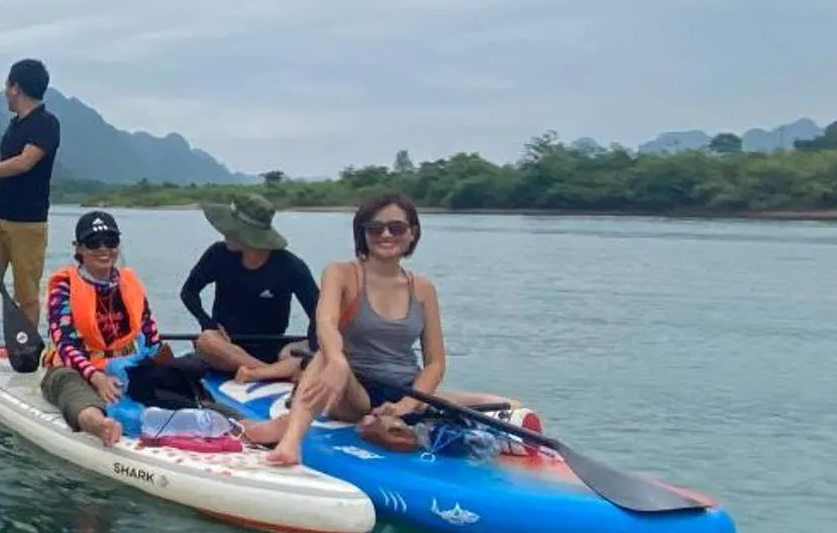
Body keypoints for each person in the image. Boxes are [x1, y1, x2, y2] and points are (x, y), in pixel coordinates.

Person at [247, 193, 500, 465]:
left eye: (397, 227)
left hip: (407, 390)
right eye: (376, 228)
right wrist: (337, 360)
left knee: (499, 404)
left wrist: (406, 405)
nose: (386, 234)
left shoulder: (424, 289)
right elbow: (326, 323)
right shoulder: (341, 273)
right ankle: (289, 444)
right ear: (363, 234)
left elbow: (435, 364)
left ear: (412, 233)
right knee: (323, 356)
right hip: (353, 389)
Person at [38, 209, 167, 448]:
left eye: (110, 241)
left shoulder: (130, 283)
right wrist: (97, 378)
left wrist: (160, 365)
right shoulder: (64, 287)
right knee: (72, 388)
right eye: (93, 242)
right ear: (79, 249)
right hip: (75, 368)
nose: (103, 249)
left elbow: (150, 335)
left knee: (172, 379)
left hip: (126, 366)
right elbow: (65, 345)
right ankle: (99, 425)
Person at [0, 57, 61, 363]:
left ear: (15, 87)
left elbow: (25, 162)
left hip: (28, 221)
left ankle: (24, 351)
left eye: (7, 85)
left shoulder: (47, 123)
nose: (4, 92)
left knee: (27, 294)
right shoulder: (14, 125)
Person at [178, 193, 321, 380]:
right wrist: (209, 324)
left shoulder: (291, 267)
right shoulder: (218, 254)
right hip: (227, 345)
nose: (225, 234)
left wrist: (314, 345)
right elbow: (189, 292)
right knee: (206, 341)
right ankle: (271, 373)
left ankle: (263, 372)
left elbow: (320, 314)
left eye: (232, 231)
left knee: (303, 351)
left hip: (273, 346)